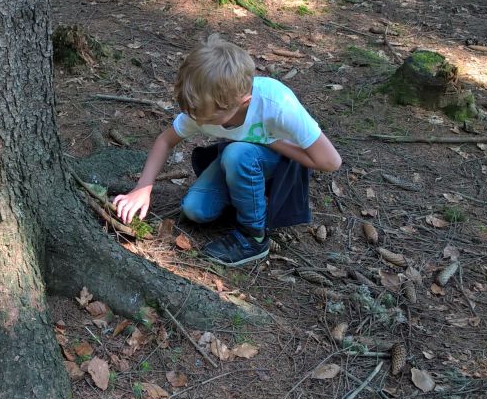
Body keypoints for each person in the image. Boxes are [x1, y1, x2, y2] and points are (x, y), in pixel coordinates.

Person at [114, 34, 342, 266]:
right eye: (195, 115)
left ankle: (253, 237)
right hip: (240, 161)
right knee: (195, 210)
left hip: (279, 165)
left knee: (238, 155)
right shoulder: (204, 106)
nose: (199, 122)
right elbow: (165, 140)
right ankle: (250, 199)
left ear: (243, 102)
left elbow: (330, 161)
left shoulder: (277, 104)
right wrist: (143, 187)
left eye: (208, 119)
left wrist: (270, 142)